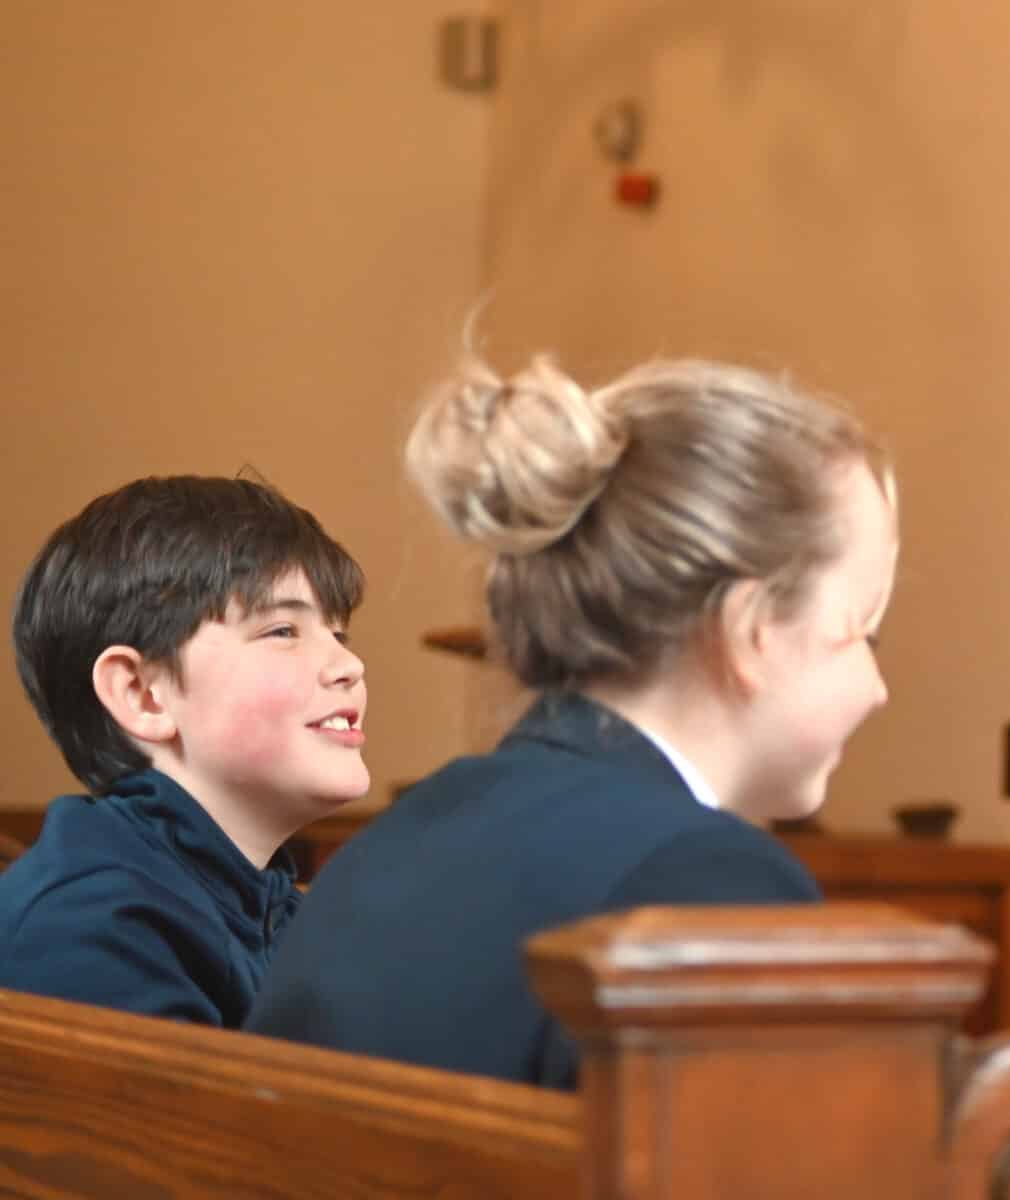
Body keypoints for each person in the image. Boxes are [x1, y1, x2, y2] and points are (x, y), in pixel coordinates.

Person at [249, 352, 895, 1087]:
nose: (878, 688)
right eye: (863, 631)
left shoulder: (397, 841)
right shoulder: (710, 884)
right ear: (752, 630)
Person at [0, 475, 369, 1024]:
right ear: (143, 694)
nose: (349, 666)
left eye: (339, 635)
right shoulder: (90, 927)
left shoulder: (272, 907)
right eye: (283, 630)